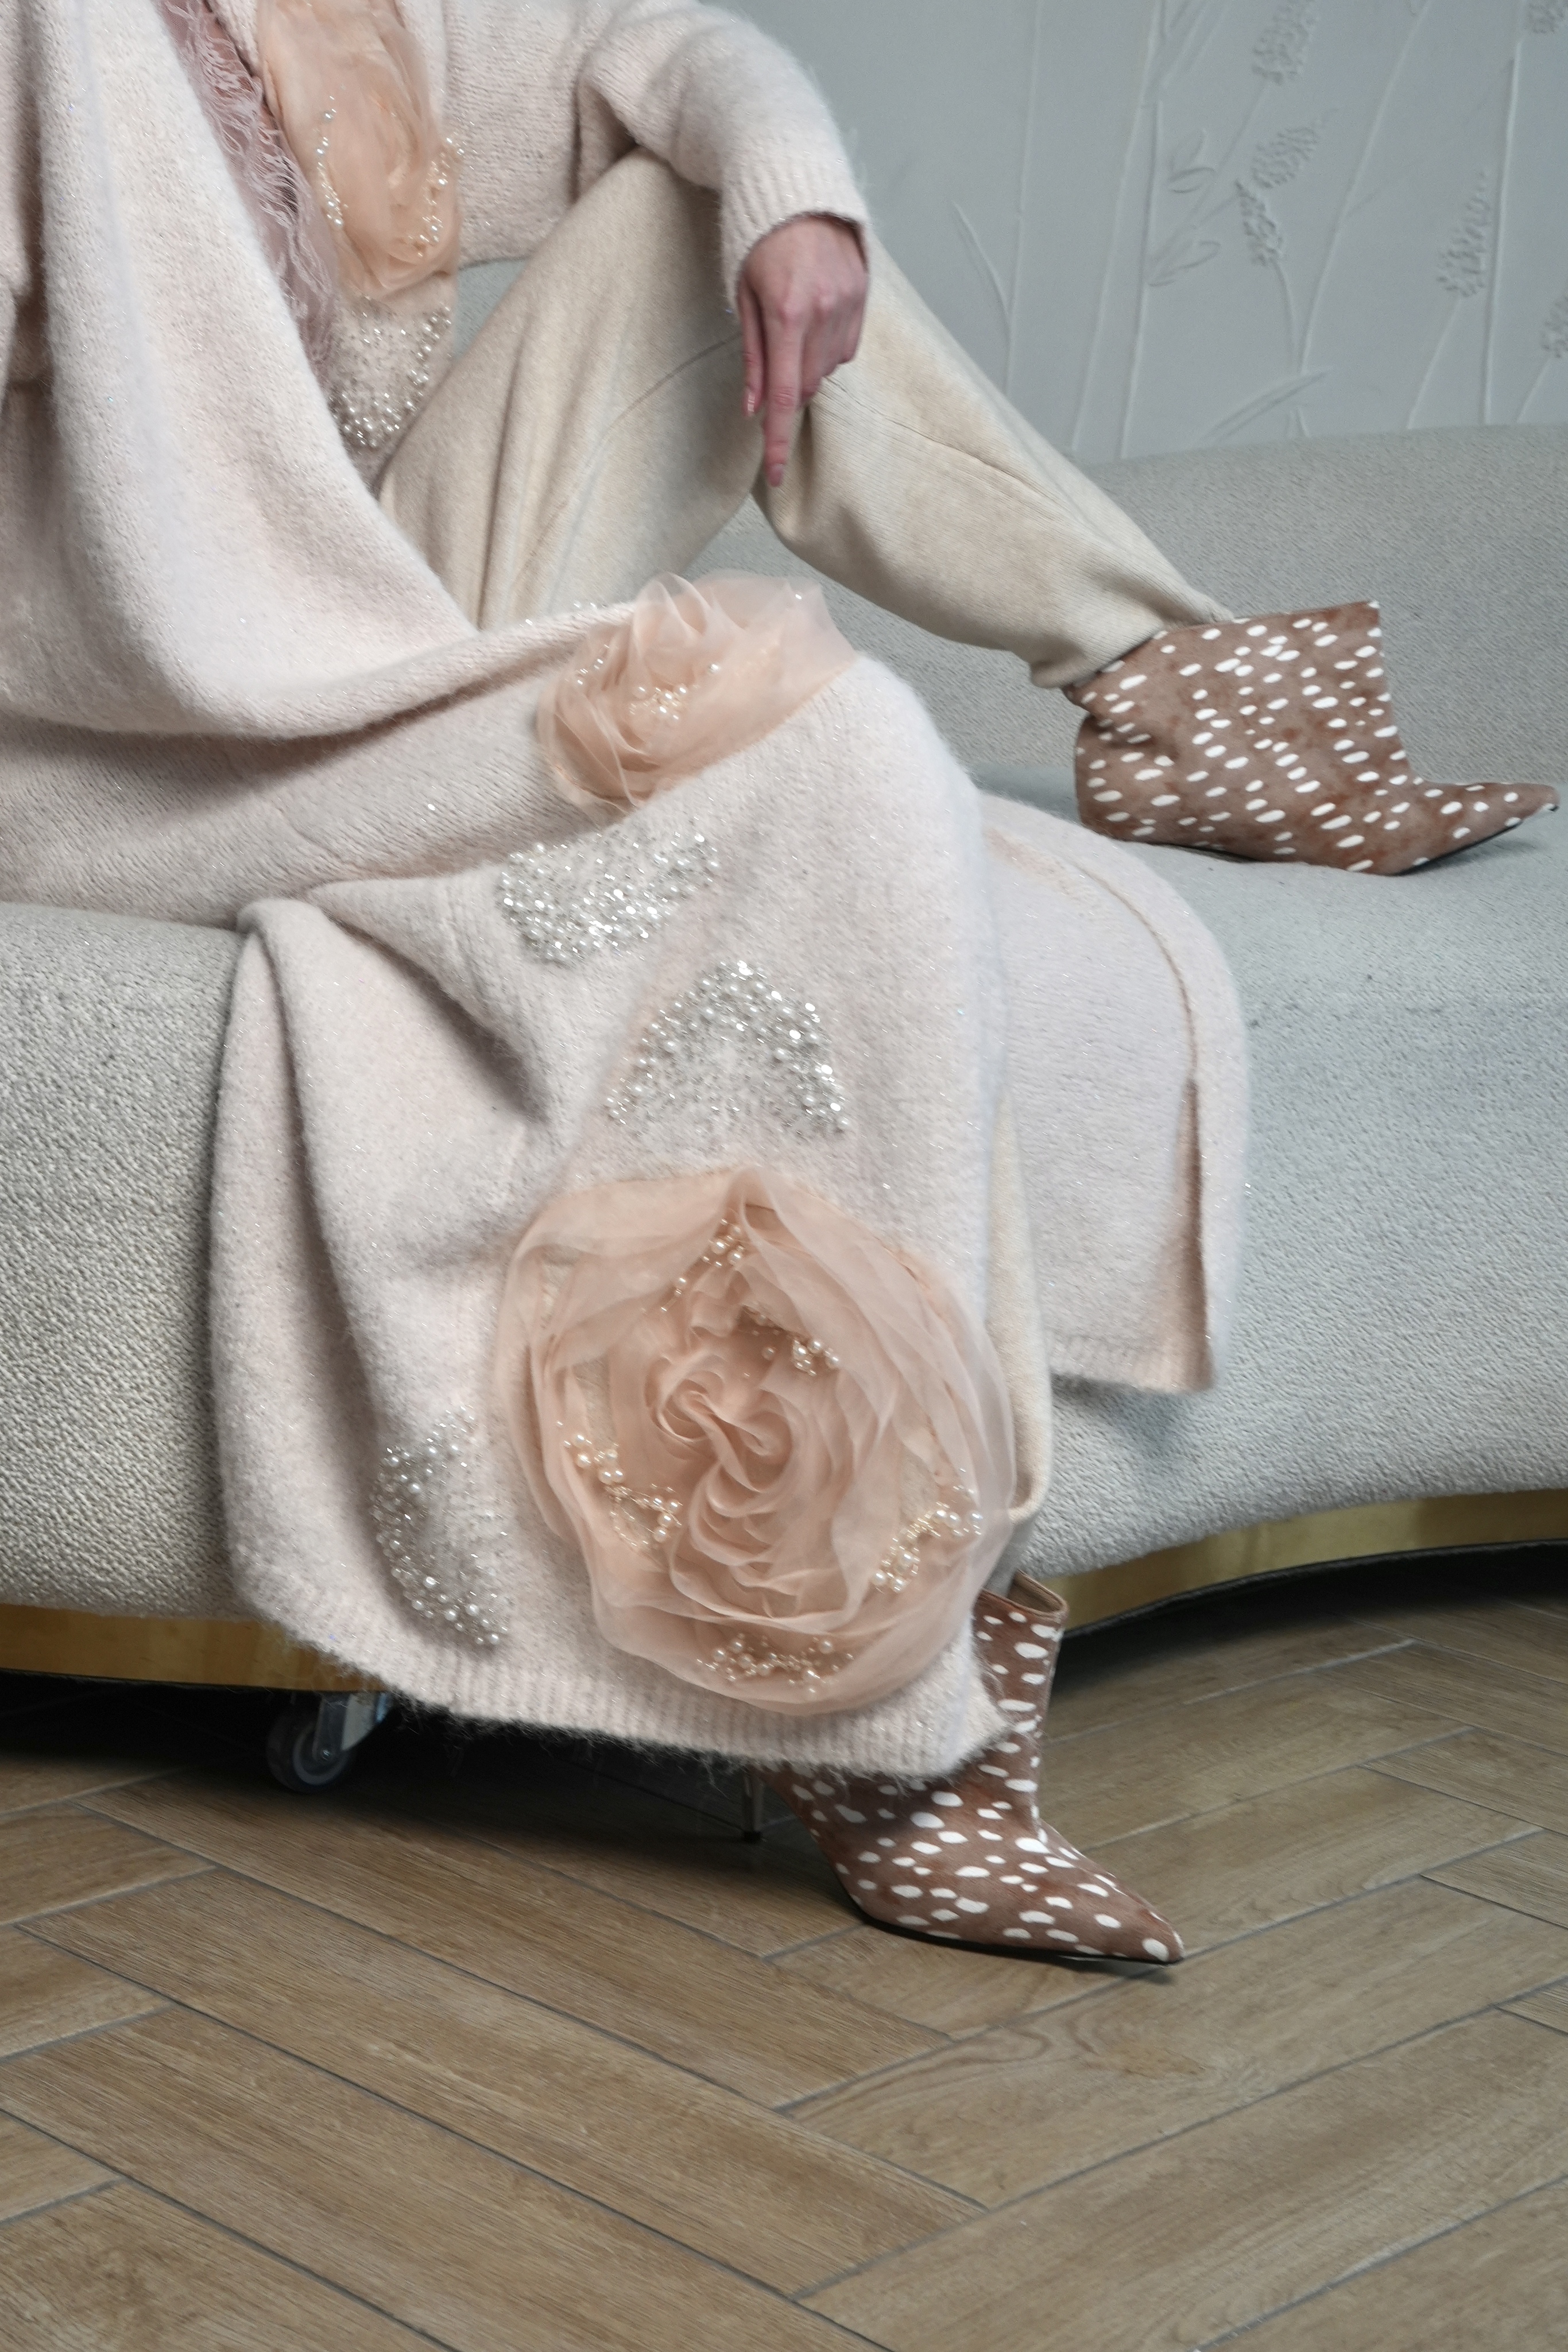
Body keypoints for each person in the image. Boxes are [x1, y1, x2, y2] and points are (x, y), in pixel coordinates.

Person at [0, 0, 1542, 1963]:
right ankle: (882, 1685)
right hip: (130, 754)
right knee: (823, 749)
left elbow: (651, 42)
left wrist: (793, 201)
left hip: (355, 631)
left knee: (701, 219)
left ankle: (1170, 686)